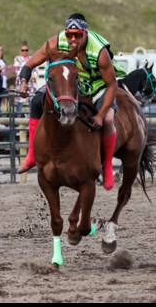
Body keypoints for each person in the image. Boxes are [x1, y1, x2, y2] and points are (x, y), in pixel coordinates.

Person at [17, 13, 127, 190]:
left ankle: (106, 167)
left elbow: (112, 85)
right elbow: (28, 65)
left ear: (85, 34)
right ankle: (31, 155)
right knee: (37, 101)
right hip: (72, 82)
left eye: (78, 35)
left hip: (99, 85)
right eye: (69, 34)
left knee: (107, 120)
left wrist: (99, 115)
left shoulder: (99, 52)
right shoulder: (55, 42)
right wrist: (23, 83)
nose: (73, 39)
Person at [12, 41, 31, 113]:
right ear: (20, 51)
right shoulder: (17, 58)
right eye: (23, 50)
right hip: (20, 84)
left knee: (31, 102)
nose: (24, 52)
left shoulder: (31, 58)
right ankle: (18, 118)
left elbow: (35, 71)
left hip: (30, 85)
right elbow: (17, 71)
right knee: (19, 103)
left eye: (26, 50)